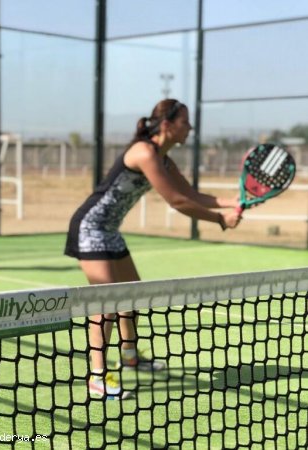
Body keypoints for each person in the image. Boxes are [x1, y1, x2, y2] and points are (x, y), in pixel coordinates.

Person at [64, 99, 242, 399]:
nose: (190, 127)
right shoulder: (145, 153)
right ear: (167, 125)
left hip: (109, 231)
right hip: (89, 228)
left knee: (132, 293)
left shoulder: (164, 159)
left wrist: (230, 203)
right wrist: (220, 220)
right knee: (105, 303)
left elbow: (191, 193)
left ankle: (130, 356)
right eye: (185, 121)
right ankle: (96, 377)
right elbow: (177, 202)